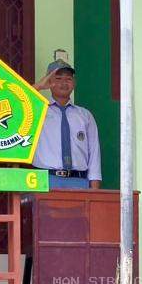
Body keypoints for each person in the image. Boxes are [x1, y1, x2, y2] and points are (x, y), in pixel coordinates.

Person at [33, 58, 102, 190]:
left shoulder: (85, 115)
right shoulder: (37, 111)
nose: (64, 83)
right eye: (58, 78)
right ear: (49, 82)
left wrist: (94, 190)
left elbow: (94, 155)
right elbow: (15, 103)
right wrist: (39, 86)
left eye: (68, 79)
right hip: (45, 180)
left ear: (74, 83)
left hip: (79, 181)